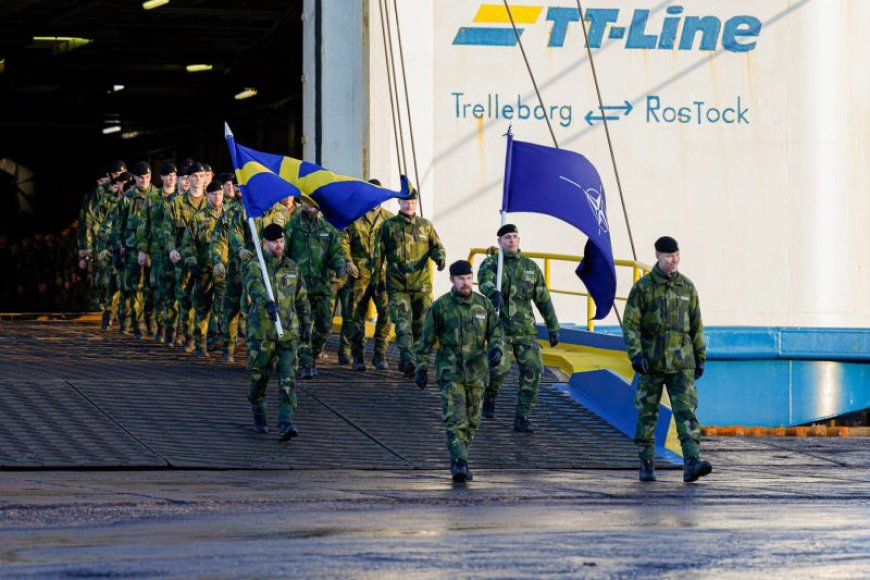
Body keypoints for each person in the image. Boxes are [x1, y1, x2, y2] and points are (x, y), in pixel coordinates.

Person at [623, 235, 712, 483]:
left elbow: (696, 325)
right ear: (657, 256)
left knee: (687, 412)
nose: (673, 261)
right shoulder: (643, 288)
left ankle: (691, 462)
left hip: (681, 363)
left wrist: (700, 356)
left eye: (676, 256)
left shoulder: (687, 287)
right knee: (647, 414)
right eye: (668, 256)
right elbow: (630, 324)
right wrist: (636, 353)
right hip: (651, 362)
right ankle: (647, 462)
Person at [415, 260, 503, 482]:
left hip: (477, 372)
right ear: (452, 280)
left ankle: (462, 455)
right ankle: (459, 463)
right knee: (455, 419)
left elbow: (496, 333)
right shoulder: (441, 306)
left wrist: (497, 350)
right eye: (460, 279)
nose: (465, 283)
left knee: (473, 421)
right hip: (450, 372)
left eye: (468, 278)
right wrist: (422, 367)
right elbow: (426, 340)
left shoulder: (484, 305)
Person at [477, 224, 560, 433]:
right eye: (507, 237)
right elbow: (483, 281)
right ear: (499, 242)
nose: (511, 240)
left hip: (525, 330)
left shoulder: (530, 267)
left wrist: (553, 326)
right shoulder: (492, 264)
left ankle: (522, 415)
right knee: (499, 369)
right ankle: (490, 395)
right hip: (500, 329)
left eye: (514, 236)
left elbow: (543, 299)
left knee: (533, 370)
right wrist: (491, 292)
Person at [244, 223, 311, 441]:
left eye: (281, 241)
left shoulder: (292, 267)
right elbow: (254, 285)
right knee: (259, 378)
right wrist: (266, 301)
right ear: (264, 242)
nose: (279, 246)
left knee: (288, 379)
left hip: (287, 333)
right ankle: (258, 411)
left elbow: (301, 299)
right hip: (262, 332)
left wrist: (306, 325)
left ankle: (286, 422)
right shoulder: (256, 265)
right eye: (274, 242)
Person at [373, 189, 446, 377]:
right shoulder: (388, 226)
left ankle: (412, 357)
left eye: (412, 202)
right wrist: (377, 278)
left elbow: (437, 246)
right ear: (399, 202)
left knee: (421, 325)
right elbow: (378, 255)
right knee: (402, 324)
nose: (409, 205)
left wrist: (440, 259)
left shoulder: (425, 226)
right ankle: (408, 359)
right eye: (406, 201)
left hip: (421, 285)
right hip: (397, 284)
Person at [284, 196, 346, 378]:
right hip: (300, 287)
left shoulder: (328, 228)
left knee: (325, 326)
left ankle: (312, 354)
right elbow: (284, 254)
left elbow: (336, 252)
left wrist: (340, 265)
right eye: (306, 202)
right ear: (301, 203)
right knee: (303, 327)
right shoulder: (292, 227)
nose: (310, 206)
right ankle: (306, 363)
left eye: (313, 203)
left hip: (323, 286)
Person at [343, 179, 394, 371]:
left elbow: (396, 247)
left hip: (382, 276)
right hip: (360, 276)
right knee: (356, 315)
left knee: (387, 314)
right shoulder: (354, 217)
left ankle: (380, 354)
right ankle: (358, 357)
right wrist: (348, 261)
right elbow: (343, 241)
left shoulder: (390, 220)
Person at [162, 161, 208, 348]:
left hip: (205, 260)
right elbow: (167, 230)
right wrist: (171, 249)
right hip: (182, 259)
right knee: (184, 298)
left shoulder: (211, 202)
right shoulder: (177, 203)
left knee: (203, 300)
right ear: (188, 179)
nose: (197, 180)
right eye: (194, 177)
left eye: (201, 177)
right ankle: (185, 333)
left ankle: (200, 339)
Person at [181, 181, 224, 356]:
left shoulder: (231, 216)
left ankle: (223, 344)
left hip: (224, 271)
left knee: (223, 308)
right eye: (213, 194)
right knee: (202, 309)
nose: (217, 197)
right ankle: (200, 345)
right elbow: (187, 244)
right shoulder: (198, 218)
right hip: (204, 270)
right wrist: (192, 263)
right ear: (207, 196)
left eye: (220, 193)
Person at [137, 162, 178, 343]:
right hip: (156, 251)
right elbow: (143, 225)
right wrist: (142, 250)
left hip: (175, 251)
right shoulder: (153, 198)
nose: (171, 178)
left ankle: (173, 329)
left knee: (175, 291)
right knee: (157, 289)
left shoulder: (180, 199)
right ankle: (158, 325)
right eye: (167, 175)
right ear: (161, 177)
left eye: (173, 175)